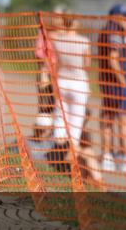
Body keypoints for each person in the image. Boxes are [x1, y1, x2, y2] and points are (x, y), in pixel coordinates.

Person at [34, 13, 94, 180]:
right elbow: (87, 65)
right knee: (76, 124)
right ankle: (70, 160)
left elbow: (48, 34)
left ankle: (57, 156)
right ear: (75, 24)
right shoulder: (84, 42)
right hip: (78, 84)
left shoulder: (57, 39)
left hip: (62, 82)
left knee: (60, 119)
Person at [98, 4, 126, 174]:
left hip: (107, 82)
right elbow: (113, 59)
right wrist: (123, 80)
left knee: (107, 117)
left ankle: (108, 155)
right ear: (115, 17)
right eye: (123, 16)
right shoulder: (115, 33)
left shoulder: (106, 31)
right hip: (117, 82)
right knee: (123, 119)